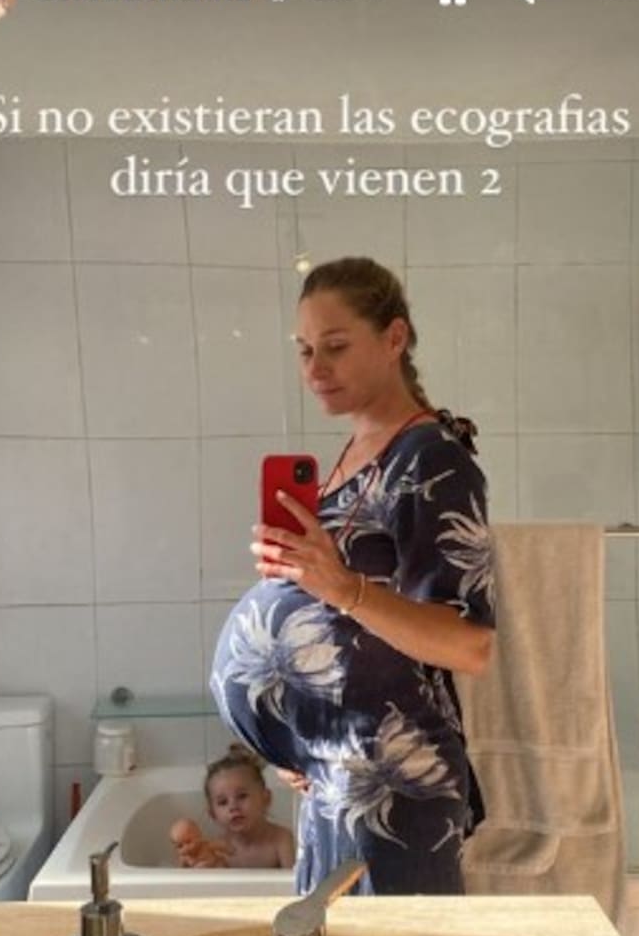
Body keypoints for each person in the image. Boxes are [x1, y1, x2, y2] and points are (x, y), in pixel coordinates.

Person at [211, 256, 496, 896]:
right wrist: (300, 731)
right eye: (305, 349)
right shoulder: (358, 453)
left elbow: (469, 644)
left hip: (395, 790)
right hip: (335, 773)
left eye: (336, 346)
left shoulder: (432, 458)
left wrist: (338, 586)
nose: (315, 368)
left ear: (394, 338)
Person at [168, 744, 295, 870]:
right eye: (223, 802)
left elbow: (294, 880)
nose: (233, 806)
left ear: (266, 799)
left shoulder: (281, 840)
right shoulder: (218, 850)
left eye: (242, 796)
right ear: (213, 814)